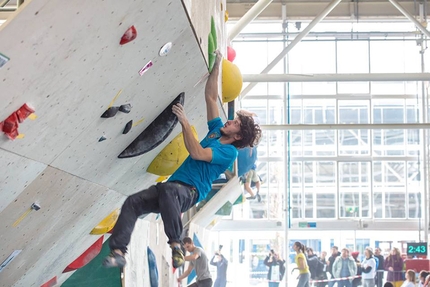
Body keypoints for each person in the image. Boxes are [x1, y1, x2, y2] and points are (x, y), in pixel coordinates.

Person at [102, 50, 262, 268]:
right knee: (133, 202)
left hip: (189, 192)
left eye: (234, 124)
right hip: (172, 190)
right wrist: (217, 65)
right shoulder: (216, 130)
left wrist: (185, 123)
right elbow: (211, 97)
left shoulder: (229, 153)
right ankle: (119, 251)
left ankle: (176, 244)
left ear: (238, 136)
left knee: (168, 191)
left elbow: (197, 153)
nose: (229, 121)